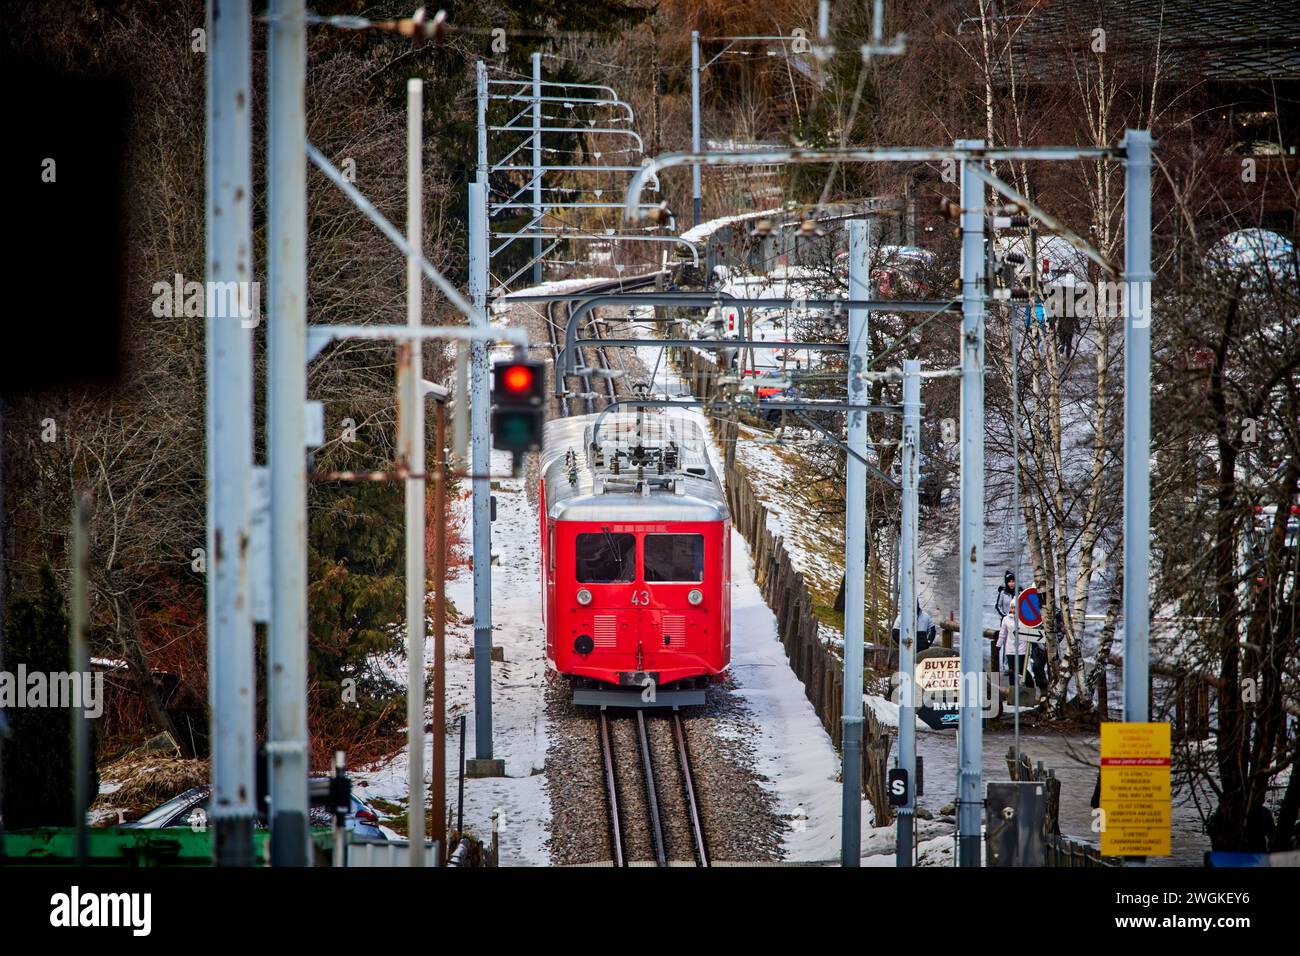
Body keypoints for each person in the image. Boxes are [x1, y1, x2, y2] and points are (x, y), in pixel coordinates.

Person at [996, 610, 1027, 689]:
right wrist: (998, 646)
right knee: (1012, 673)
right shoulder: (1006, 619)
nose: (1013, 609)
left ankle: (1021, 692)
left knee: (1020, 672)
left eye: (1015, 607)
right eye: (1012, 607)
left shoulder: (1025, 618)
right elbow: (1002, 634)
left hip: (1022, 650)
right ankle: (1012, 694)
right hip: (1010, 650)